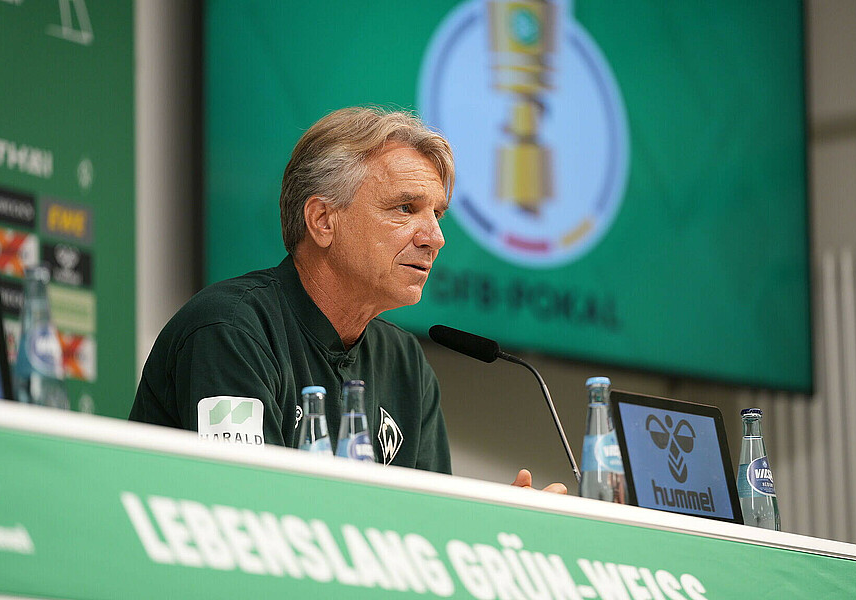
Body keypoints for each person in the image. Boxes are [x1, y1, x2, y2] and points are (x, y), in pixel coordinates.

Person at [131, 106, 565, 493]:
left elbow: (425, 531)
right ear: (323, 220)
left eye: (437, 214)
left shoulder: (405, 363)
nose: (435, 238)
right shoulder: (231, 330)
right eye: (405, 208)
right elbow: (246, 511)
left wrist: (498, 528)